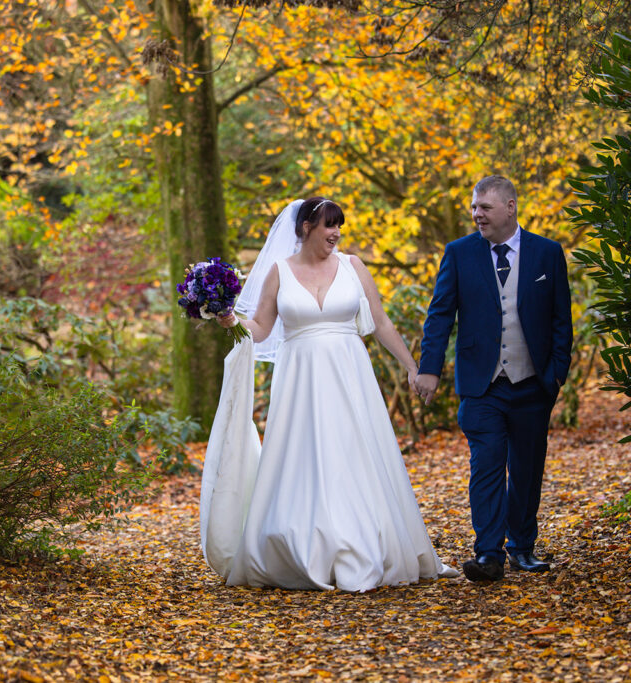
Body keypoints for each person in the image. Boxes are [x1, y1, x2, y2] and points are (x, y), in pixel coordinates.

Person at [208, 197, 458, 591]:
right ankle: (305, 544)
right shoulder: (279, 272)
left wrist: (414, 366)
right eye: (329, 225)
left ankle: (361, 542)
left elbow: (380, 322)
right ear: (306, 227)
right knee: (305, 457)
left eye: (339, 225)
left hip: (349, 375)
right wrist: (229, 320)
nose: (336, 233)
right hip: (300, 381)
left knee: (353, 453)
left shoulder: (353, 266)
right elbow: (260, 329)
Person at [414, 176, 572, 583]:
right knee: (486, 465)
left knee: (526, 468)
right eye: (474, 207)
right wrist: (430, 368)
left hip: (533, 383)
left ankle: (522, 547)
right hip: (481, 385)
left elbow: (560, 320)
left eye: (484, 207)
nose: (476, 214)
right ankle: (488, 554)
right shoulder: (460, 253)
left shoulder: (547, 253)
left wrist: (554, 375)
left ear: (510, 207)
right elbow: (440, 315)